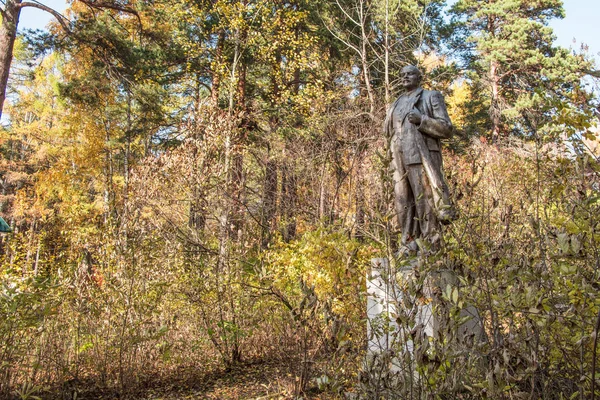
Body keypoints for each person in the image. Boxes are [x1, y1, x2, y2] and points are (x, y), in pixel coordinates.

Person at [384, 65, 455, 253]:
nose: (405, 77)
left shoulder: (431, 97)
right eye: (402, 75)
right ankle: (408, 244)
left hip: (420, 156)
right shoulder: (396, 103)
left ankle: (431, 245)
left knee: (425, 201)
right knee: (402, 203)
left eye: (410, 74)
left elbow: (447, 128)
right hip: (397, 160)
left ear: (419, 77)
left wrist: (422, 120)